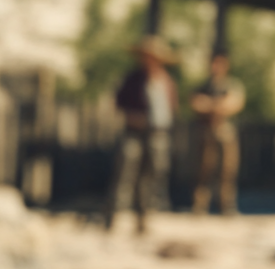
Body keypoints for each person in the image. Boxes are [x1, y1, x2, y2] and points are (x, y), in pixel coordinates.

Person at [105, 35, 178, 234]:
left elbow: (172, 107)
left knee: (150, 177)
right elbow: (119, 102)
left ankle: (143, 220)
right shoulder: (133, 79)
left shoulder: (166, 80)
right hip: (134, 133)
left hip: (157, 135)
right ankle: (111, 219)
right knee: (124, 174)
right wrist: (133, 117)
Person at [191, 51, 246, 216]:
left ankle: (227, 206)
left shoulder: (231, 84)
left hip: (225, 132)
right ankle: (200, 206)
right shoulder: (202, 86)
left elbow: (235, 103)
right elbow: (196, 103)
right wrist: (218, 105)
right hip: (206, 132)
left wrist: (212, 105)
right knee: (203, 169)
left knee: (228, 170)